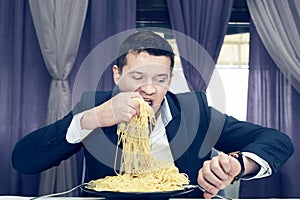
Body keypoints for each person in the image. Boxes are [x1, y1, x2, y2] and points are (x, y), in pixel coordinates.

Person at [12, 30, 294, 199]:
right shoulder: (94, 107)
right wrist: (90, 119)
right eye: (137, 77)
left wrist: (239, 164)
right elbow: (24, 160)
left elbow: (277, 140)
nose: (149, 89)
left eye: (160, 79)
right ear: (117, 76)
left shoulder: (195, 111)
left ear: (170, 80)